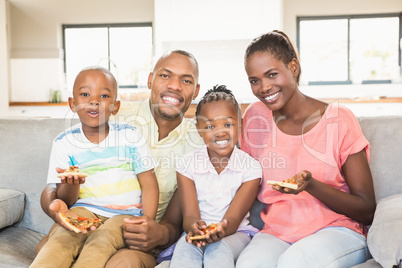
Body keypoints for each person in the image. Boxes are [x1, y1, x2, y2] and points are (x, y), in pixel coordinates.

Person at [36, 50, 204, 267]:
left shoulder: (199, 142)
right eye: (165, 75)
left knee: (118, 261)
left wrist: (157, 230)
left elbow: (176, 217)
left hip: (134, 232)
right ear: (150, 79)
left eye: (186, 80)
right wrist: (56, 209)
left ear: (196, 90)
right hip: (84, 215)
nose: (174, 85)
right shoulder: (111, 115)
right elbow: (55, 184)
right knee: (49, 249)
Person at [236, 30, 376, 268]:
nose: (264, 87)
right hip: (277, 232)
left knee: (294, 262)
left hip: (337, 230)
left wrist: (310, 186)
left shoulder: (339, 120)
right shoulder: (255, 117)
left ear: (293, 67)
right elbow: (242, 180)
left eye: (272, 74)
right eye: (254, 80)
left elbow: (366, 209)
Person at [30, 66, 159, 268]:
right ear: (72, 104)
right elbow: (65, 198)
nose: (94, 100)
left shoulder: (129, 135)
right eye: (85, 94)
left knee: (100, 241)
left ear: (115, 106)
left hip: (125, 216)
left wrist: (147, 221)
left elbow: (149, 182)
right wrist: (72, 184)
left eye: (104, 95)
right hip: (83, 210)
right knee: (61, 240)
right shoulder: (64, 142)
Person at [169, 85, 262, 267]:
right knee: (184, 252)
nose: (220, 132)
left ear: (240, 124)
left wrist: (220, 229)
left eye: (228, 124)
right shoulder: (187, 164)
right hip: (198, 232)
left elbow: (233, 220)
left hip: (235, 233)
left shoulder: (251, 168)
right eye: (210, 126)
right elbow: (190, 216)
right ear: (199, 129)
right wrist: (194, 228)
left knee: (218, 251)